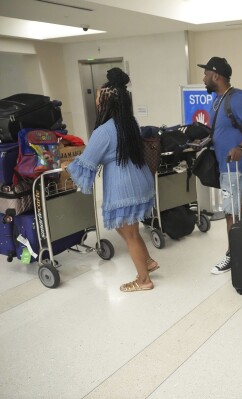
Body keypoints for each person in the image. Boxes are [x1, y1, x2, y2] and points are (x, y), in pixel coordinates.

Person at [67, 68, 157, 292]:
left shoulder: (103, 132)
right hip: (139, 178)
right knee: (128, 230)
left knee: (131, 234)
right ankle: (148, 262)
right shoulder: (130, 123)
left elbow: (87, 161)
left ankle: (143, 280)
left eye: (99, 99)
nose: (97, 103)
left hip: (123, 185)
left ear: (106, 103)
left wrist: (65, 166)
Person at [196, 57, 242, 274]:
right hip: (225, 166)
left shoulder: (238, 98)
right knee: (232, 208)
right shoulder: (217, 99)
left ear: (216, 75)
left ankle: (232, 256)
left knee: (230, 213)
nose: (204, 78)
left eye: (206, 74)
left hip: (239, 166)